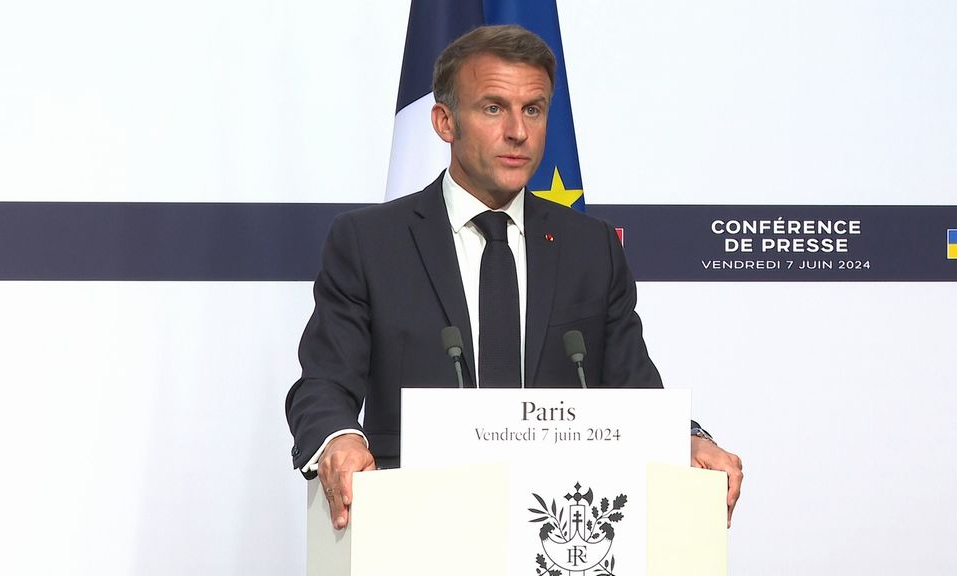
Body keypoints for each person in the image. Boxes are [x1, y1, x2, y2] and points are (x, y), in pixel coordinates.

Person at [286, 24, 743, 531]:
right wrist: (339, 439)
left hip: (561, 526)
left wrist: (688, 440)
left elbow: (636, 392)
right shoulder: (370, 242)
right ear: (444, 122)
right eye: (493, 108)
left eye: (533, 109)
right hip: (417, 524)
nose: (518, 132)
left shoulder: (590, 248)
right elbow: (323, 383)